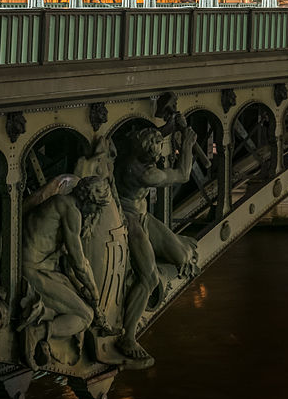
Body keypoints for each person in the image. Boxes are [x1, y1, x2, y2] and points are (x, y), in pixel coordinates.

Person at [115, 121, 201, 365]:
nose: (159, 155)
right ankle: (128, 336)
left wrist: (169, 127)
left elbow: (149, 135)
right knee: (149, 278)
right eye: (156, 150)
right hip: (128, 218)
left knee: (183, 257)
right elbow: (183, 175)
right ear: (146, 153)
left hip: (143, 215)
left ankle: (173, 242)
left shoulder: (128, 148)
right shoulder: (145, 173)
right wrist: (186, 145)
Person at [16, 175, 116, 367]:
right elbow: (79, 263)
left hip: (33, 267)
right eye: (97, 208)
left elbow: (69, 266)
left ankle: (45, 335)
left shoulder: (57, 202)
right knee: (85, 316)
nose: (95, 213)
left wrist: (82, 290)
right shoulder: (71, 212)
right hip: (32, 272)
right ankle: (35, 334)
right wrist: (94, 294)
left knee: (78, 301)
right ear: (91, 200)